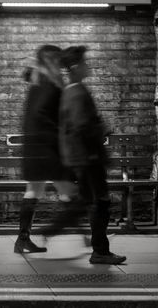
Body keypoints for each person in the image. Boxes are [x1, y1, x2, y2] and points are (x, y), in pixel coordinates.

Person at [45, 45, 126, 265]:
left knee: (89, 202)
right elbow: (82, 126)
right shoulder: (77, 92)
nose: (88, 66)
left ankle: (57, 231)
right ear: (76, 67)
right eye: (84, 63)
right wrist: (101, 130)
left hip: (82, 158)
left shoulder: (71, 91)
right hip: (88, 158)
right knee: (100, 203)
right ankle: (99, 251)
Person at [14, 44, 79, 255]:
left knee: (34, 191)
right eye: (58, 62)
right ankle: (70, 234)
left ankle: (23, 239)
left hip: (35, 149)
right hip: (48, 150)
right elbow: (44, 116)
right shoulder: (48, 85)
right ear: (51, 61)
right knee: (70, 193)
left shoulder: (37, 82)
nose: (61, 67)